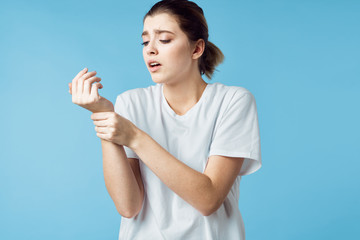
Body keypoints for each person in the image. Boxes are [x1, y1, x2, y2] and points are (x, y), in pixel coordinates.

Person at [68, 0, 261, 239]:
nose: (150, 49)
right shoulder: (131, 103)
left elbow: (208, 199)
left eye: (164, 39)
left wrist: (135, 137)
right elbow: (128, 207)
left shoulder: (232, 101)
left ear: (197, 49)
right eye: (145, 40)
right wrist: (103, 116)